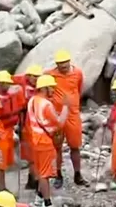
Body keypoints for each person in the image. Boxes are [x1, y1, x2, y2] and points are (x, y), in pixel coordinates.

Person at [46, 49, 87, 188]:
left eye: (65, 63)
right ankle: (58, 174)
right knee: (56, 147)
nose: (63, 66)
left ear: (70, 62)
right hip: (56, 116)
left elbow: (79, 89)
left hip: (73, 115)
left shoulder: (78, 73)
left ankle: (78, 174)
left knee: (75, 146)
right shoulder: (50, 75)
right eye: (60, 64)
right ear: (56, 64)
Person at [28, 75, 69, 207]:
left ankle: (38, 198)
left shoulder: (32, 101)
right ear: (45, 88)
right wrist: (66, 107)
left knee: (41, 170)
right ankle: (47, 202)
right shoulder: (46, 105)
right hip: (44, 141)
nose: (53, 90)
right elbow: (59, 123)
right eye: (52, 87)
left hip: (35, 139)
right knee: (44, 174)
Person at [21, 65, 43, 190]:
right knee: (33, 155)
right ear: (28, 76)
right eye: (33, 76)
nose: (35, 79)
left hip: (37, 125)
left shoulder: (41, 89)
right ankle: (34, 180)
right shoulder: (24, 90)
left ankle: (33, 179)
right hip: (29, 125)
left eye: (37, 77)